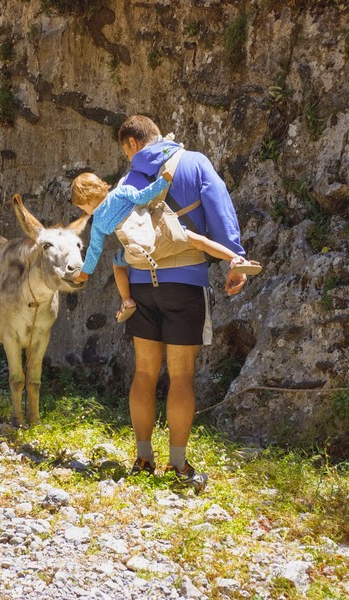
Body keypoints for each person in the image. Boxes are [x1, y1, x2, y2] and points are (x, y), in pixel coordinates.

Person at [114, 115, 251, 492]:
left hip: (142, 285)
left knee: (144, 373)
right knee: (181, 376)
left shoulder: (129, 180)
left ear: (131, 144)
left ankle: (143, 458)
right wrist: (233, 259)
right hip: (186, 283)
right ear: (159, 136)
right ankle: (178, 465)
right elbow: (219, 208)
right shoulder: (194, 163)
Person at [70, 171, 262, 323]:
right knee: (199, 241)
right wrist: (164, 181)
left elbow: (95, 250)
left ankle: (127, 300)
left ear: (86, 202)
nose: (84, 211)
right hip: (162, 235)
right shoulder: (122, 192)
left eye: (82, 208)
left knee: (117, 264)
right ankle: (235, 259)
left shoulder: (97, 224)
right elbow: (145, 196)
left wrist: (85, 272)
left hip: (139, 254)